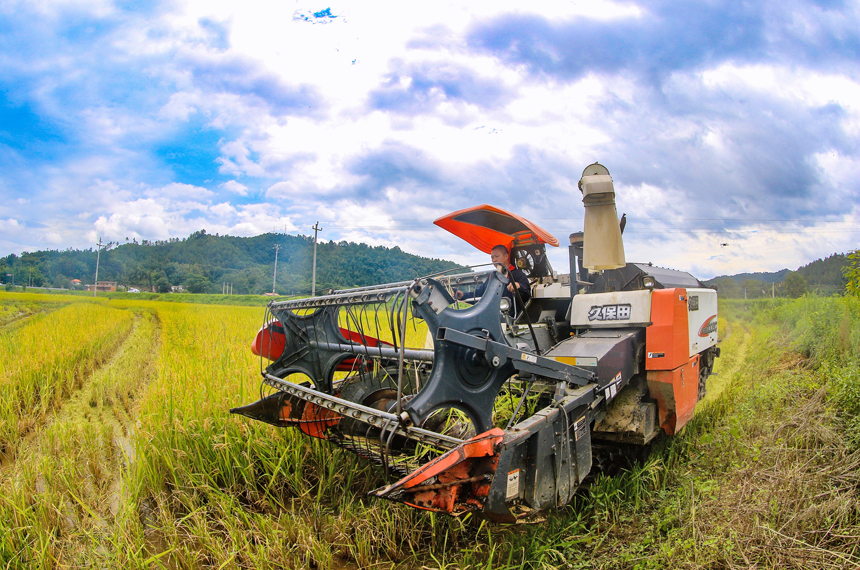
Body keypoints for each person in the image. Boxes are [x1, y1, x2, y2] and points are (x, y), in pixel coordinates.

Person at [455, 244, 531, 314]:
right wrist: (462, 295)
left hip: (513, 319)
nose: (494, 260)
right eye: (492, 257)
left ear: (506, 256)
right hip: (494, 319)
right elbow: (478, 294)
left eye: (497, 256)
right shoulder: (492, 277)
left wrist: (519, 287)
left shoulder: (518, 275)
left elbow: (527, 295)